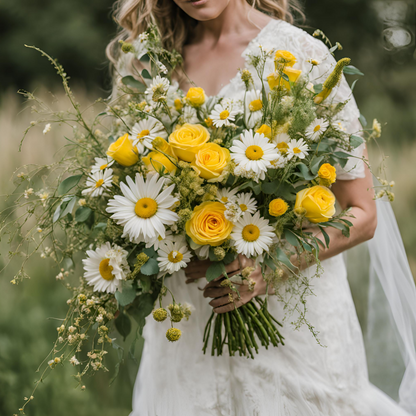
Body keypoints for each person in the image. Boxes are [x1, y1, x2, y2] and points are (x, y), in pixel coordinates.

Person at [107, 1, 416, 415]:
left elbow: (362, 213)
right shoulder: (149, 67)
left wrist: (266, 268)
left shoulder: (301, 56)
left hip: (292, 325)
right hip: (190, 322)